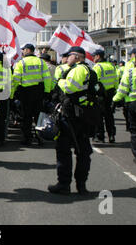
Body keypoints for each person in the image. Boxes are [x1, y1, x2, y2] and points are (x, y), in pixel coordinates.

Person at [48, 46, 98, 195]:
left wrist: (60, 81)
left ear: (76, 57)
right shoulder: (88, 70)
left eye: (69, 56)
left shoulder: (79, 69)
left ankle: (64, 184)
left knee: (64, 150)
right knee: (83, 151)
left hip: (73, 117)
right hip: (83, 116)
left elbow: (70, 88)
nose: (66, 58)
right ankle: (81, 185)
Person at [11, 44, 51, 146]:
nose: (23, 51)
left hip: (25, 93)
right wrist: (47, 92)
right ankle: (40, 138)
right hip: (38, 93)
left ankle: (27, 139)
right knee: (39, 117)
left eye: (24, 49)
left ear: (28, 50)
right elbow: (47, 78)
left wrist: (12, 93)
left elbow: (15, 79)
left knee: (26, 117)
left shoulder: (21, 63)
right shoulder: (41, 62)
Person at [92, 49, 118, 143]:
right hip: (111, 93)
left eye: (94, 56)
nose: (93, 58)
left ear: (98, 56)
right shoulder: (112, 66)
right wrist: (115, 91)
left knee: (98, 116)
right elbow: (116, 79)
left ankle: (100, 136)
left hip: (100, 94)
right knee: (109, 116)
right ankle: (111, 135)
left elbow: (95, 82)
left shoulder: (97, 67)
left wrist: (94, 93)